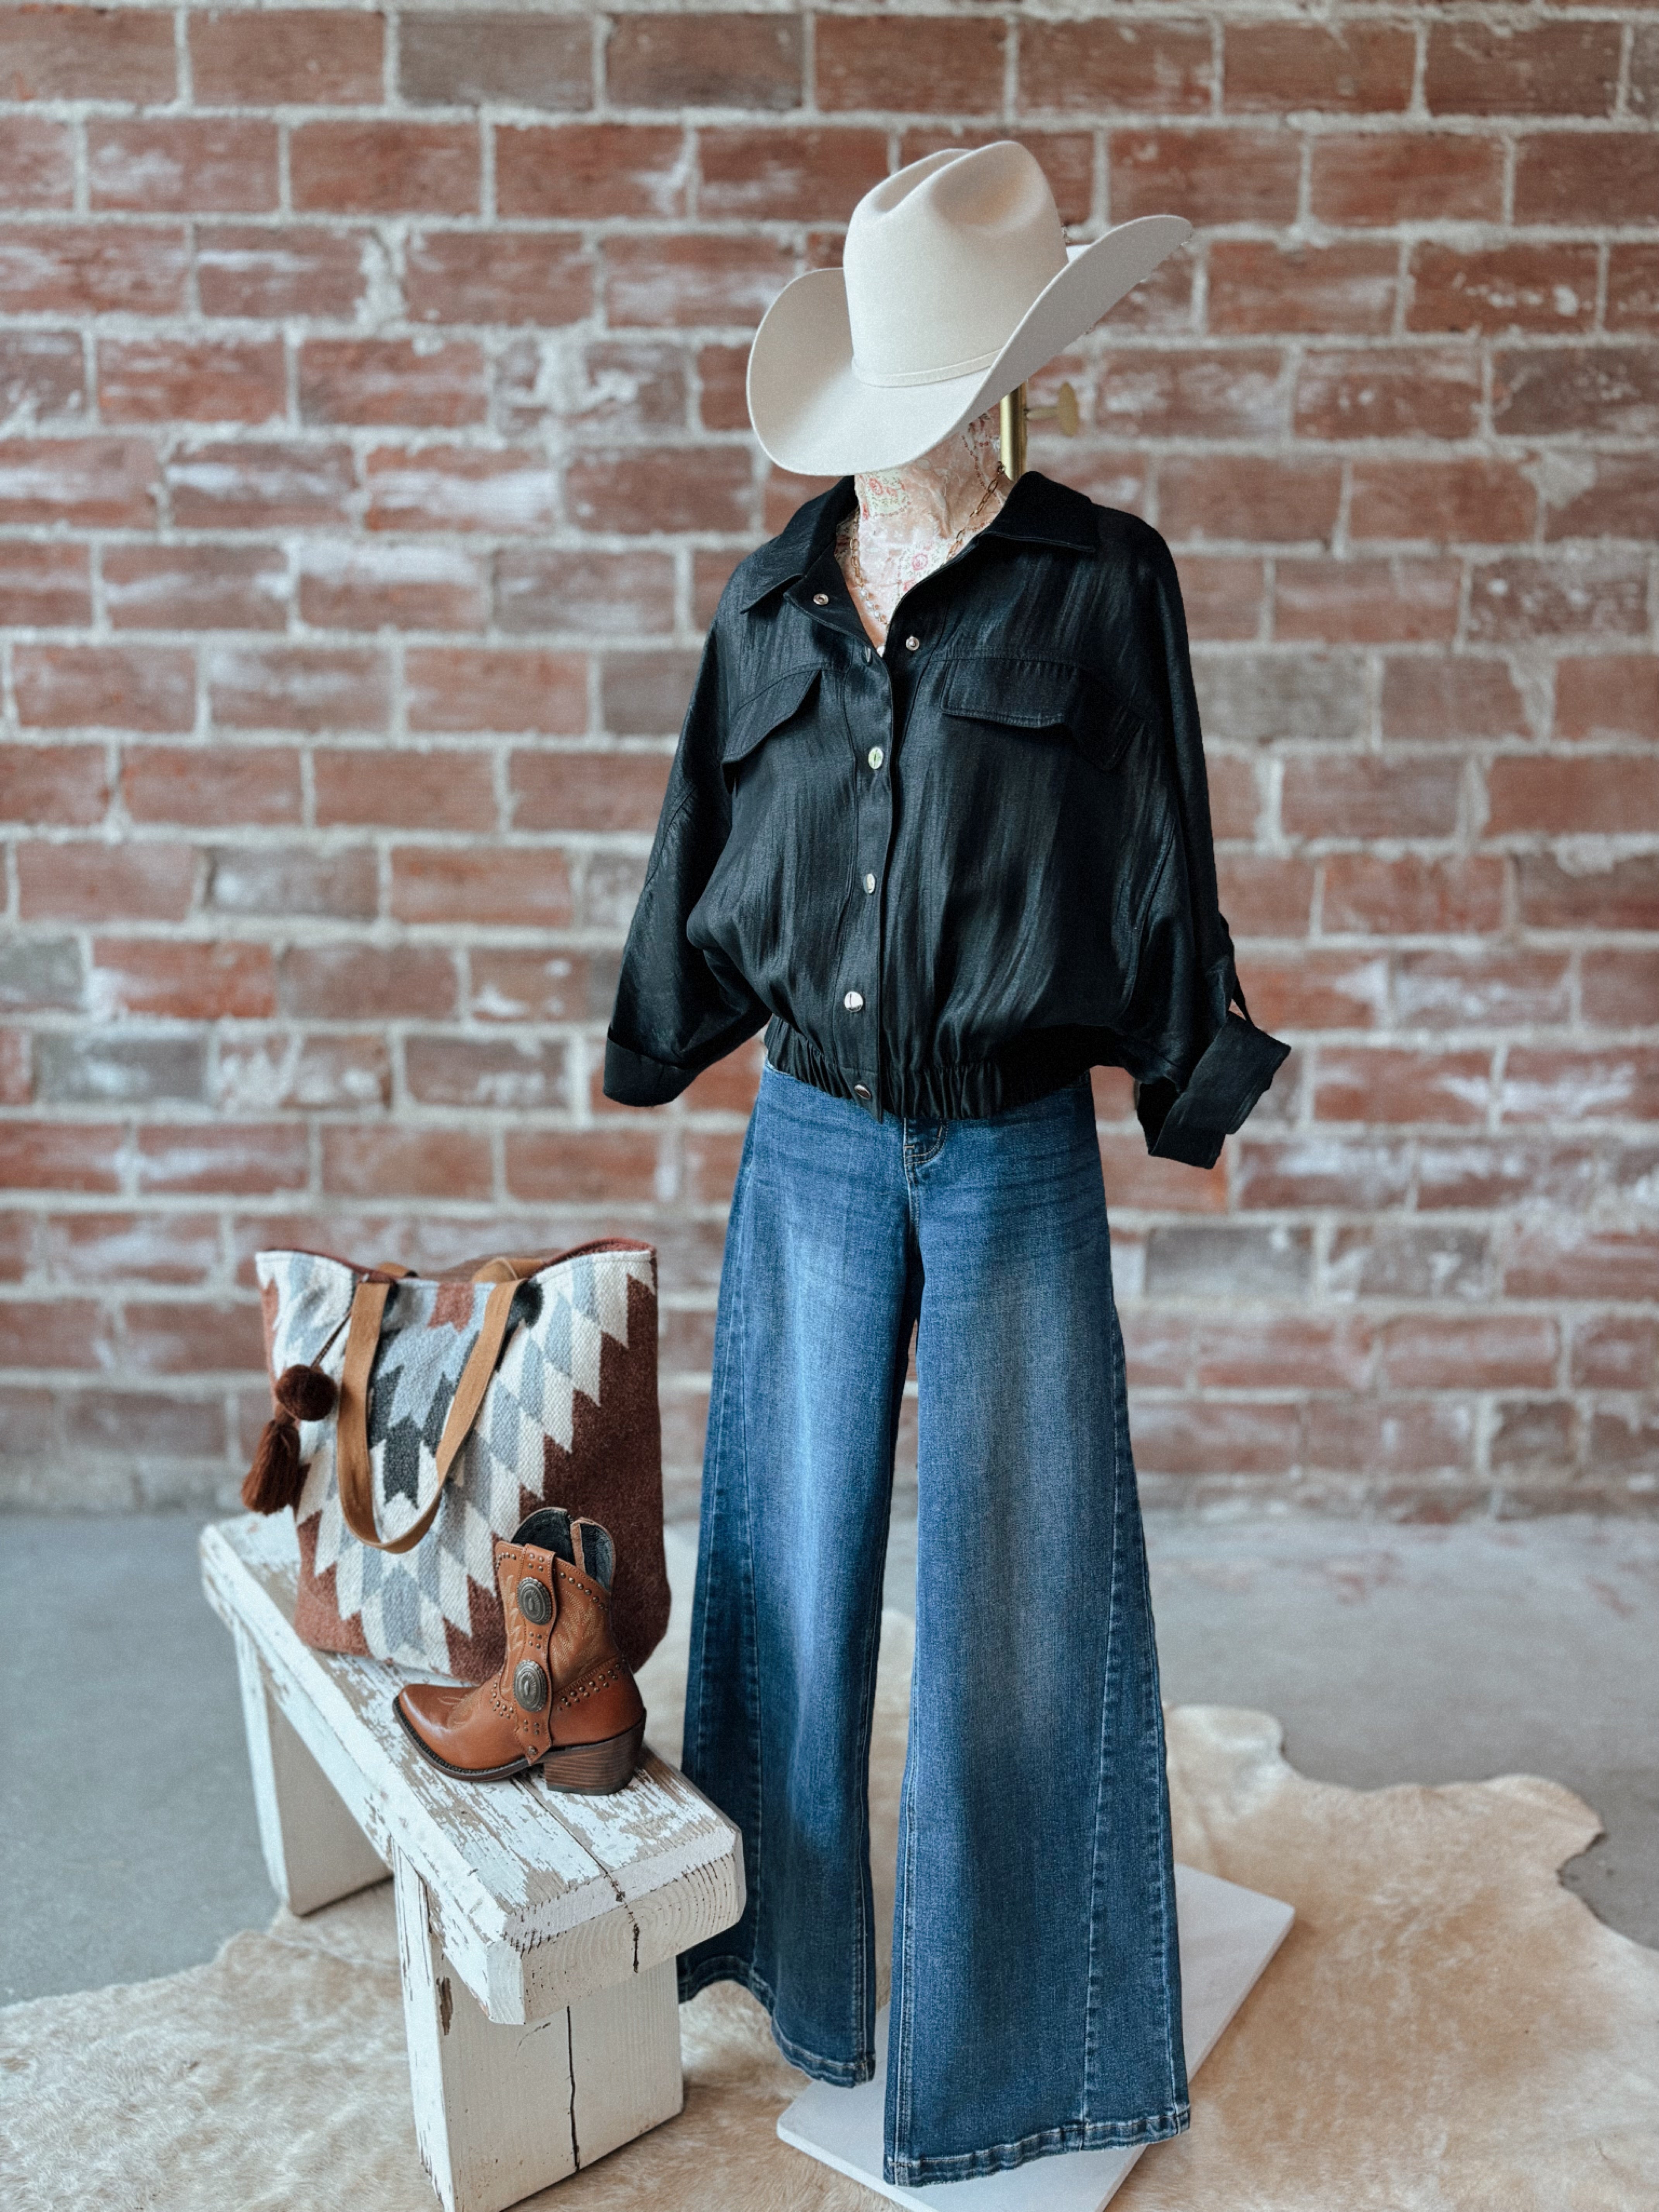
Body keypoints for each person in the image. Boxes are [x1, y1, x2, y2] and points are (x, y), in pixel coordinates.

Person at [603, 141, 1289, 2191]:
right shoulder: (770, 600)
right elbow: (698, 858)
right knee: (788, 1573)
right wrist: (666, 1034)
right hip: (810, 1131)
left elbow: (1164, 853)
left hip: (1007, 1148)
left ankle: (1026, 2072)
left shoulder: (1100, 583)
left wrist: (1189, 1070)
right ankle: (799, 1986)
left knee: (1020, 1603)